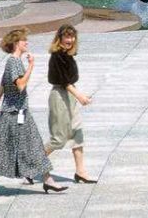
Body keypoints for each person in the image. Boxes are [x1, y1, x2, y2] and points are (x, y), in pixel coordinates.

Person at [0, 28, 68, 196]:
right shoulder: (14, 62)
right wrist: (31, 66)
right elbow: (20, 85)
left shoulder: (13, 62)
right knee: (2, 148)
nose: (26, 42)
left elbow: (3, 85)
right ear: (15, 43)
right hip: (12, 113)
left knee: (34, 145)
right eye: (23, 40)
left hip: (20, 112)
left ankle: (48, 181)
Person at [45, 25, 97, 184]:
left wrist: (79, 95)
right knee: (59, 139)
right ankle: (32, 163)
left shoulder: (68, 55)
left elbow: (70, 82)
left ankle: (80, 172)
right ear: (59, 39)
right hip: (59, 96)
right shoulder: (57, 56)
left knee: (77, 133)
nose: (70, 40)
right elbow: (64, 81)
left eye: (72, 37)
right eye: (66, 37)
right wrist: (80, 96)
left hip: (70, 95)